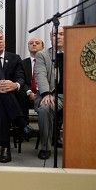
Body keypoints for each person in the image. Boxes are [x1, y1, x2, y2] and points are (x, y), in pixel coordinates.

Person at [0, 30, 38, 163]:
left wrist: (15, 85)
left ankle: (5, 148)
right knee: (0, 97)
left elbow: (21, 78)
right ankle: (22, 125)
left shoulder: (15, 58)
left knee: (3, 98)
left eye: (1, 38)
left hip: (12, 97)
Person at [34, 27, 65, 160]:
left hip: (74, 96)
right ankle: (45, 147)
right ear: (50, 38)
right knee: (45, 108)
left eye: (62, 34)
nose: (58, 36)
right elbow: (40, 75)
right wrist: (46, 93)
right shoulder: (43, 55)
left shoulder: (76, 52)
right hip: (53, 95)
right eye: (54, 34)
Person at [22, 37, 45, 115]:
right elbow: (21, 80)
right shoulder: (22, 63)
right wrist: (29, 92)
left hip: (43, 93)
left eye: (37, 43)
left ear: (43, 47)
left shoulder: (48, 62)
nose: (34, 44)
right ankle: (24, 123)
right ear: (28, 47)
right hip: (27, 93)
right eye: (31, 43)